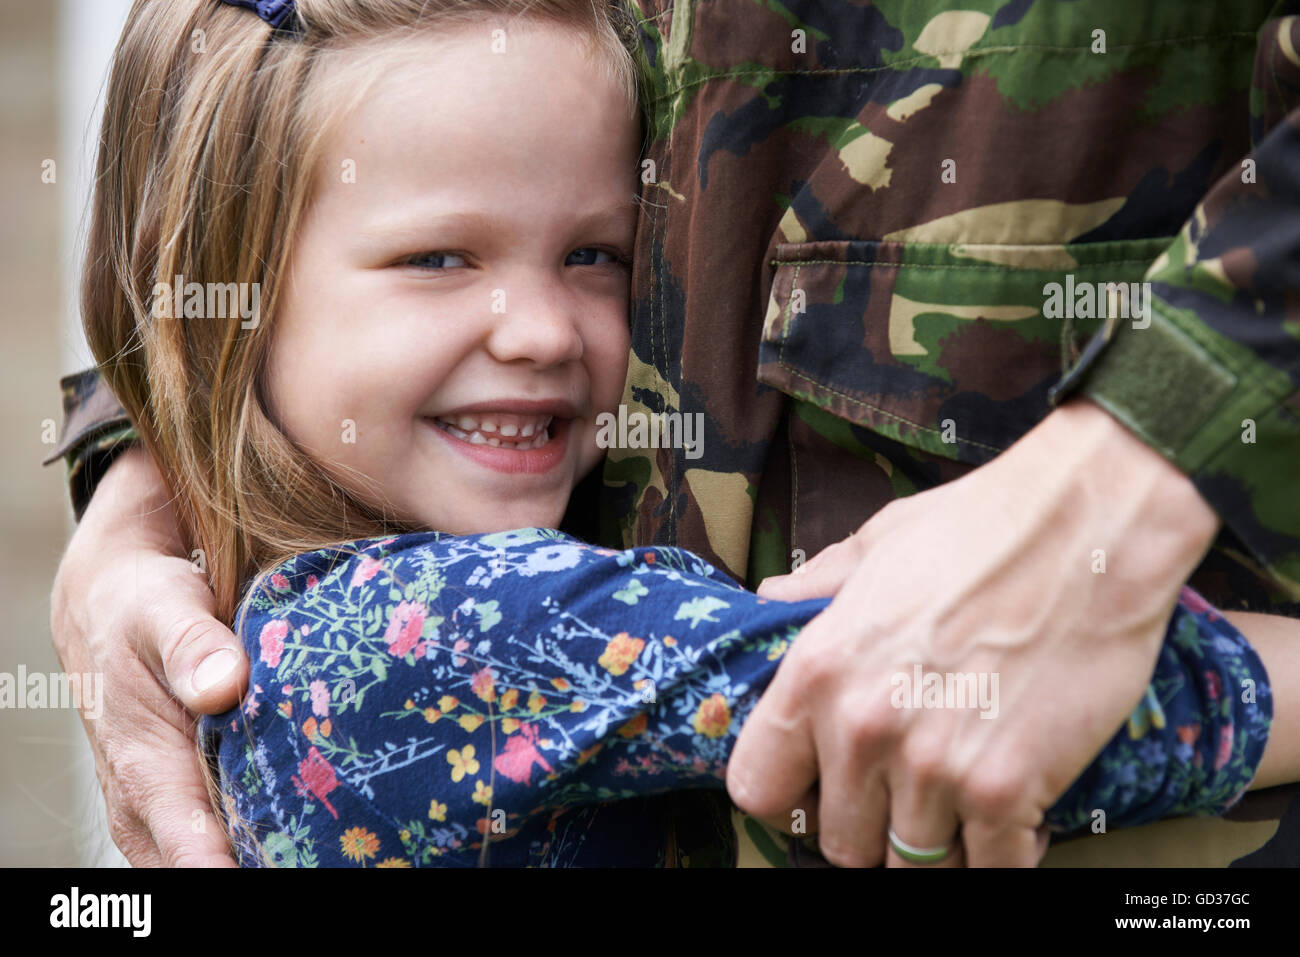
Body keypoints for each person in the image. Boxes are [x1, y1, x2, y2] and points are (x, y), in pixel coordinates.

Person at [48, 0, 1300, 867]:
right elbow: (900, 698)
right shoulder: (419, 640)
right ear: (218, 306)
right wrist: (134, 472)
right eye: (438, 259)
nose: (541, 330)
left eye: (598, 254)